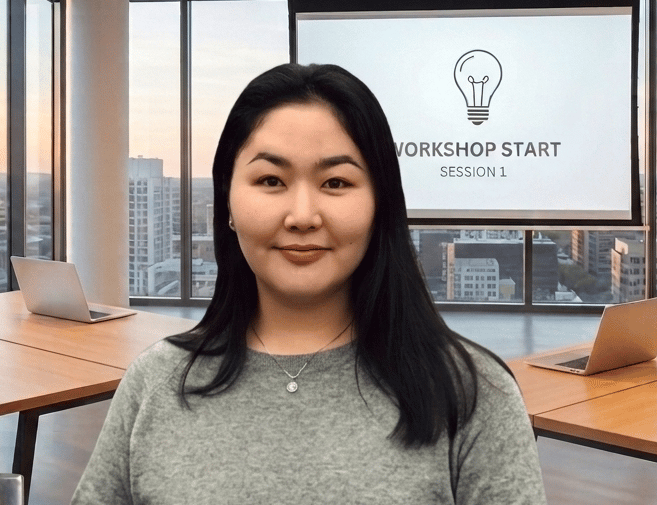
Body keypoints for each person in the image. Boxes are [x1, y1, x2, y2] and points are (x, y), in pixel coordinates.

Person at [72, 63, 546, 504]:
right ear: (227, 202)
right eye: (271, 181)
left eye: (336, 183)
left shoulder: (472, 394)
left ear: (380, 205)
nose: (302, 216)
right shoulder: (155, 383)